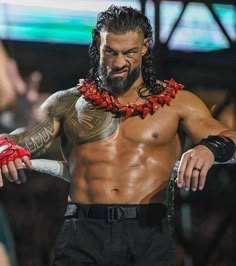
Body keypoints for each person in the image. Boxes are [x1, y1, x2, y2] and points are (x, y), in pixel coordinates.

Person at [0, 5, 236, 266]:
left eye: (129, 53)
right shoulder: (68, 102)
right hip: (83, 230)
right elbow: (21, 137)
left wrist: (210, 147)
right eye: (110, 52)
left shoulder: (177, 103)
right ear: (97, 44)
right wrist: (5, 148)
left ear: (145, 47)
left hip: (148, 230)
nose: (118, 62)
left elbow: (230, 136)